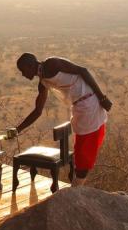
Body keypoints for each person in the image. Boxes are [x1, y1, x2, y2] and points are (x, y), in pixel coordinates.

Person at [15, 53, 112, 186]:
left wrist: (102, 98)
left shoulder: (52, 64)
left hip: (90, 105)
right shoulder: (43, 83)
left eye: (23, 70)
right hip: (80, 109)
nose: (23, 75)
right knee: (81, 152)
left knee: (84, 152)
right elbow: (38, 111)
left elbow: (83, 71)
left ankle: (76, 189)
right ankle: (77, 188)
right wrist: (17, 129)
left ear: (30, 65)